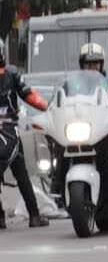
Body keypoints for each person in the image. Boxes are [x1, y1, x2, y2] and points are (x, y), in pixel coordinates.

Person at [0, 46, 50, 228]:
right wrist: (48, 107)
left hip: (9, 130)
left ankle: (1, 218)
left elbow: (29, 96)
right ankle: (34, 216)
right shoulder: (12, 73)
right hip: (10, 131)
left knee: (20, 174)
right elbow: (29, 95)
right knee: (22, 175)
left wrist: (47, 107)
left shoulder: (11, 74)